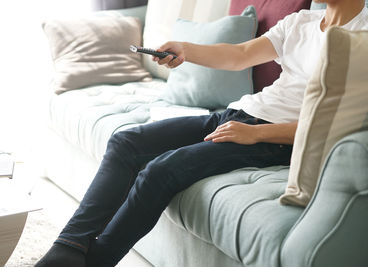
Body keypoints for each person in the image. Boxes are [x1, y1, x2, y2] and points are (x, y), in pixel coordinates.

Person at [35, 0, 368, 266]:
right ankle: (69, 246)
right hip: (239, 115)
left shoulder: (362, 35)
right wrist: (185, 49)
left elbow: (337, 123)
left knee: (160, 171)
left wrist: (257, 135)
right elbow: (241, 55)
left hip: (275, 139)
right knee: (126, 141)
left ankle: (96, 262)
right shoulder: (303, 22)